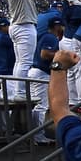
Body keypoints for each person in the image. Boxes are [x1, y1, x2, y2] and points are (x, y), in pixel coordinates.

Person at [1, 0, 42, 99]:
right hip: (24, 26)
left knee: (20, 62)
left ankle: (17, 92)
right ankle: (20, 93)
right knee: (25, 62)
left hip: (18, 26)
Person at [27, 15, 64, 144]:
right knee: (41, 106)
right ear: (57, 26)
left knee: (36, 105)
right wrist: (60, 55)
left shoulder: (44, 36)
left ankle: (34, 135)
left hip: (36, 72)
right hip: (41, 73)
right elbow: (44, 54)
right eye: (61, 26)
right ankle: (38, 136)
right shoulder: (50, 37)